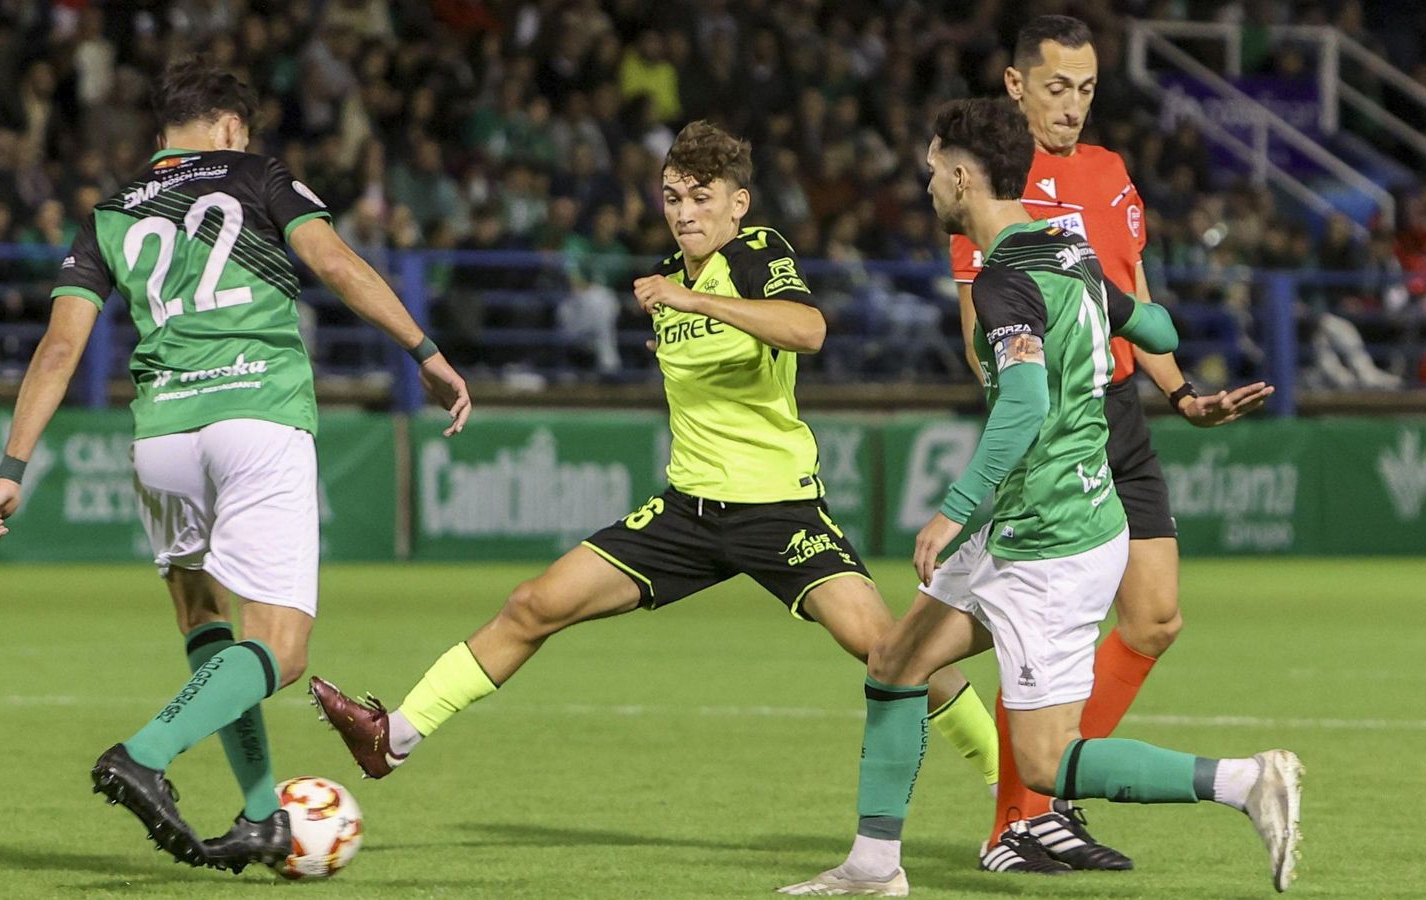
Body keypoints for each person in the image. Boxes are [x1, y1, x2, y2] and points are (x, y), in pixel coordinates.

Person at [309, 120, 1000, 807]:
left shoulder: (755, 253)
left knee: (892, 651)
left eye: (702, 197)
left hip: (777, 509)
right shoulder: (667, 279)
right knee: (532, 605)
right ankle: (394, 735)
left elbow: (809, 329)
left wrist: (694, 302)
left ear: (739, 204)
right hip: (686, 513)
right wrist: (680, 315)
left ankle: (1020, 795)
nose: (684, 212)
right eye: (673, 197)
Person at [781, 96, 1304, 900]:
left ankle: (1245, 780)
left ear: (962, 177)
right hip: (1023, 523)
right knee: (895, 664)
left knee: (1045, 762)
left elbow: (1021, 405)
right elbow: (1157, 329)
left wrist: (953, 506)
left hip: (1053, 545)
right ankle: (873, 866)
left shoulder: (1002, 284)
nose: (925, 187)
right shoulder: (1069, 252)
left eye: (930, 173)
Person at [0, 57, 472, 872]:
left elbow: (61, 345)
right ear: (233, 127)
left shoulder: (108, 213)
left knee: (207, 622)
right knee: (283, 647)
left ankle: (263, 812)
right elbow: (336, 263)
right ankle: (144, 754)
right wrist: (424, 349)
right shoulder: (258, 175)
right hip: (255, 419)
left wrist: (12, 468)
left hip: (162, 437)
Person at [948, 16, 1275, 872]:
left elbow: (1133, 291)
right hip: (1057, 425)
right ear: (1016, 85)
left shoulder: (1107, 172)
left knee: (1156, 618)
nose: (1073, 106)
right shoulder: (989, 182)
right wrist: (1026, 409)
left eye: (1087, 89)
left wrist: (1182, 391)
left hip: (1121, 408)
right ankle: (1016, 819)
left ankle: (1040, 803)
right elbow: (976, 330)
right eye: (1057, 86)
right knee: (1018, 638)